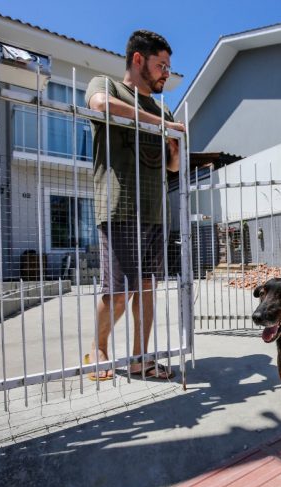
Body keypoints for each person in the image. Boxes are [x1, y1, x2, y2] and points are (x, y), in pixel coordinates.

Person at [83, 29, 184, 380]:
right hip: (119, 207)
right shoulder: (108, 86)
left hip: (155, 211)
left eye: (169, 67)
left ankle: (140, 358)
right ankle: (98, 349)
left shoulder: (162, 106)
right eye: (161, 65)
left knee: (146, 289)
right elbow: (99, 105)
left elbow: (172, 167)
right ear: (138, 59)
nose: (166, 73)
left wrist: (174, 148)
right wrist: (163, 124)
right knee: (119, 292)